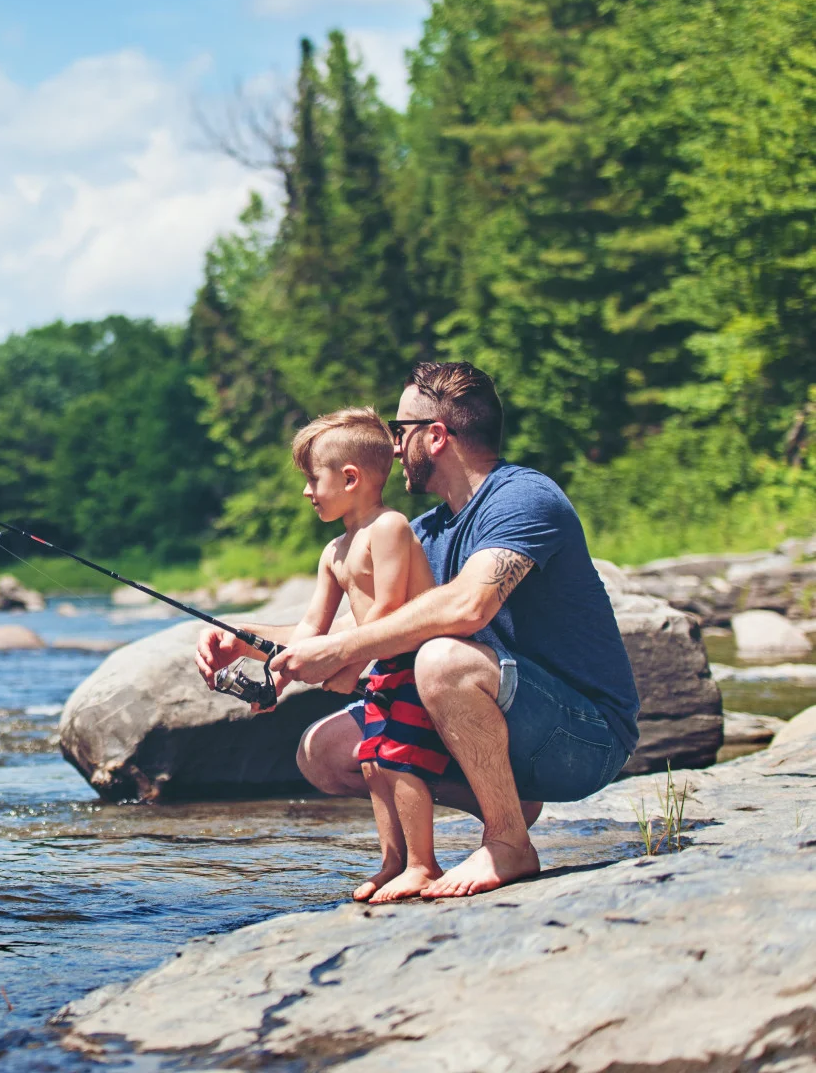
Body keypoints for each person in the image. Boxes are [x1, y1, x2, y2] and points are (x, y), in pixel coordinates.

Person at [195, 361, 640, 898]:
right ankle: (501, 803)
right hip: (508, 721)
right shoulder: (425, 530)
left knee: (442, 661)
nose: (393, 444)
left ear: (436, 435)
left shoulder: (523, 497)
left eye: (400, 431)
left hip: (584, 734)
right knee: (323, 749)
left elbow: (469, 605)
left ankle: (508, 843)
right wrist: (244, 639)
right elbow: (360, 626)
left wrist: (345, 654)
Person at [241, 408, 451, 901]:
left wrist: (351, 662)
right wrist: (275, 683)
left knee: (400, 761)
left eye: (313, 479)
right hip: (380, 667)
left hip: (414, 664)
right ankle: (393, 863)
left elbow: (390, 606)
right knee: (374, 762)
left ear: (350, 477)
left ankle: (425, 865)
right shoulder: (333, 552)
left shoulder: (391, 527)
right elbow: (313, 628)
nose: (307, 492)